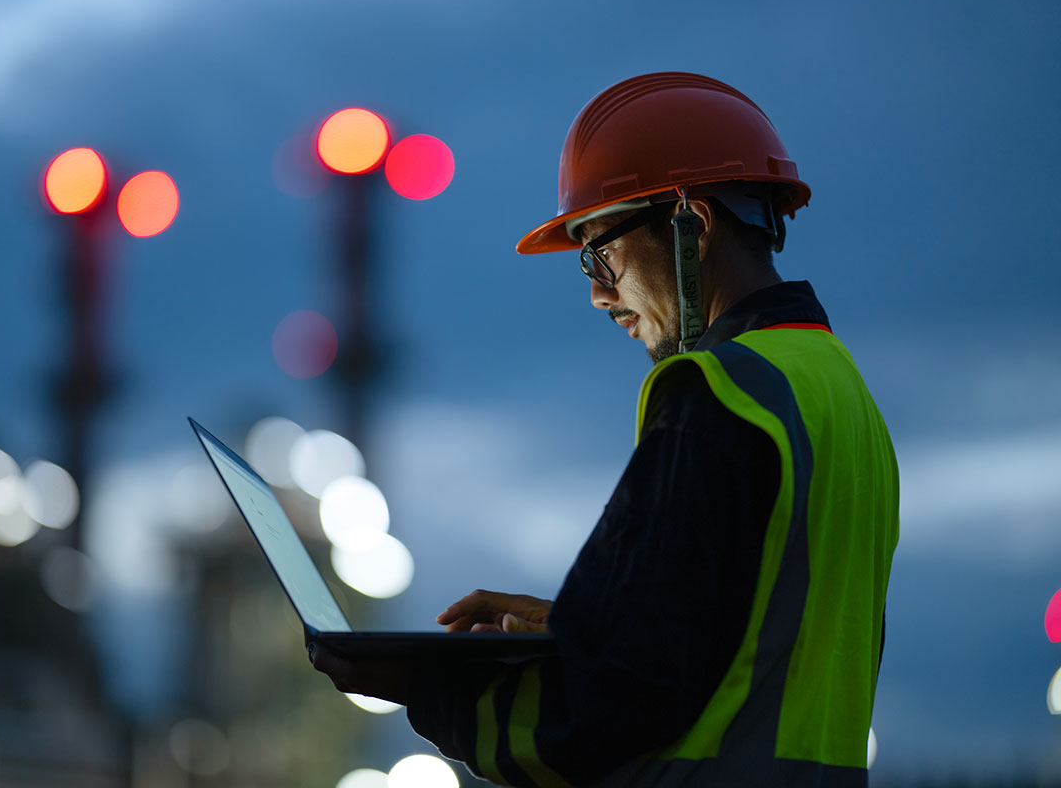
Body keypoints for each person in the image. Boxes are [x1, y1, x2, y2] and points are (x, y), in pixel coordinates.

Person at [311, 72, 899, 787]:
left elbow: (611, 704)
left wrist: (432, 691)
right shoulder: (837, 391)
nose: (597, 291)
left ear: (694, 224)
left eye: (600, 250)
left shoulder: (718, 395)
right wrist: (588, 626)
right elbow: (749, 646)